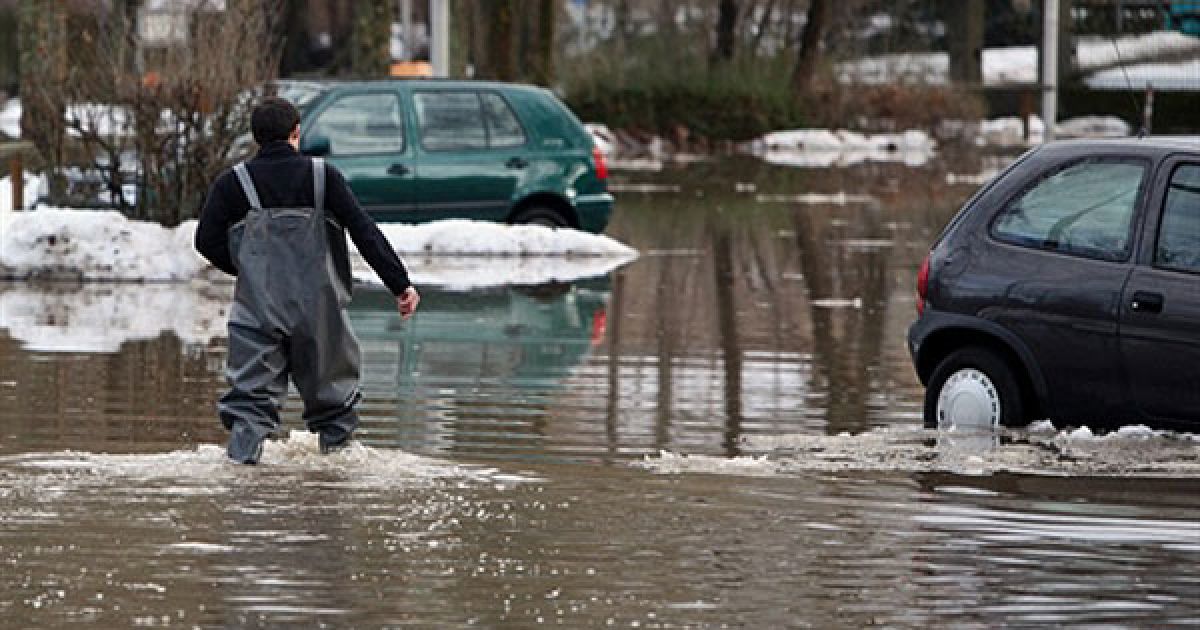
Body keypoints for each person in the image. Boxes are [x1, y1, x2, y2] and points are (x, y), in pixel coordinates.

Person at [195, 97, 420, 464]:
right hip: (321, 313)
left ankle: (241, 485)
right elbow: (364, 231)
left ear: (256, 138)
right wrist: (400, 284)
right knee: (335, 407)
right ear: (296, 132)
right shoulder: (323, 177)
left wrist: (249, 271)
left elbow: (205, 240)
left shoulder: (233, 184)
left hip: (258, 313)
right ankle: (334, 484)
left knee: (250, 409)